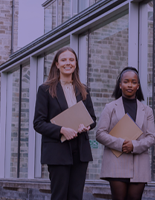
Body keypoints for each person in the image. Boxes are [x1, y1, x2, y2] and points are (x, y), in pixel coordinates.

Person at [33, 47, 96, 200]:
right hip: (57, 151)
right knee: (59, 196)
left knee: (76, 196)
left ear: (75, 63)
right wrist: (61, 130)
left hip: (80, 150)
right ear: (57, 64)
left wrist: (86, 126)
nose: (68, 63)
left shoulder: (83, 89)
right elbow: (38, 123)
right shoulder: (45, 90)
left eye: (71, 59)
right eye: (63, 60)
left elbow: (92, 119)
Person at [96, 67, 155, 200]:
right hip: (116, 162)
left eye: (134, 82)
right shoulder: (110, 107)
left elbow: (152, 137)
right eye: (126, 81)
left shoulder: (147, 111)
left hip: (139, 163)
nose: (130, 85)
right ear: (120, 85)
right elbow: (100, 133)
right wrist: (121, 143)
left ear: (138, 86)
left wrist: (134, 146)